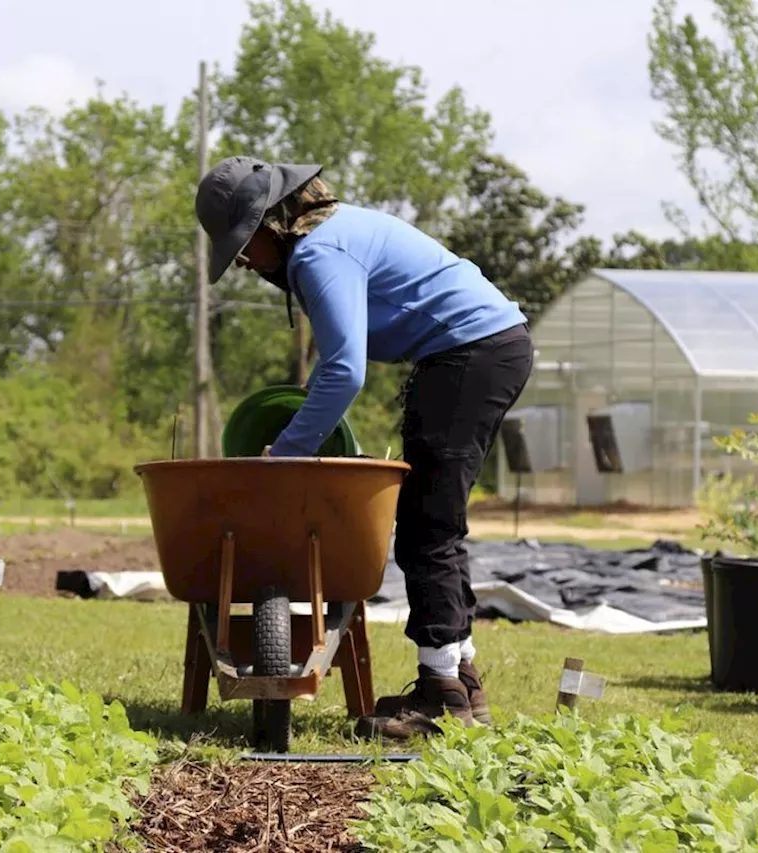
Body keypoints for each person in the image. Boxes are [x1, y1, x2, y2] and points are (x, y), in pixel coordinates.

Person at [194, 155, 534, 740]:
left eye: (245, 245)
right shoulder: (334, 231)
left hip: (470, 353)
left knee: (429, 526)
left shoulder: (321, 253)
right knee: (434, 522)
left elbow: (345, 371)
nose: (246, 262)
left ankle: (444, 698)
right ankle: (459, 682)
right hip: (477, 350)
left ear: (272, 223)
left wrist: (285, 454)